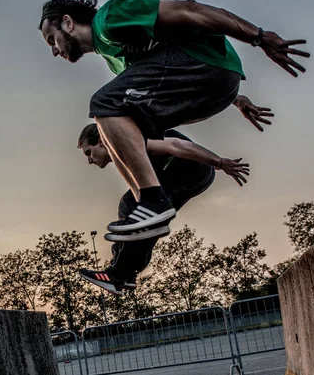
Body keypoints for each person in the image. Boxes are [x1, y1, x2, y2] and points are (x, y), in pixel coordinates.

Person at [38, 0, 309, 240]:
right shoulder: (114, 60)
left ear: (68, 23)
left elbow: (190, 10)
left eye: (52, 39)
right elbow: (164, 83)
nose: (53, 50)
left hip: (207, 63)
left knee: (104, 104)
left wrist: (258, 37)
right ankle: (139, 226)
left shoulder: (111, 17)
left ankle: (152, 201)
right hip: (209, 88)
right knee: (126, 128)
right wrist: (235, 100)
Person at [76, 114, 263, 295]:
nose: (89, 160)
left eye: (88, 152)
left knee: (130, 204)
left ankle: (117, 274)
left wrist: (219, 162)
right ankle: (126, 275)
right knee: (150, 222)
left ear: (101, 141)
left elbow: (176, 145)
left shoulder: (128, 142)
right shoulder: (125, 157)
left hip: (190, 167)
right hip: (195, 174)